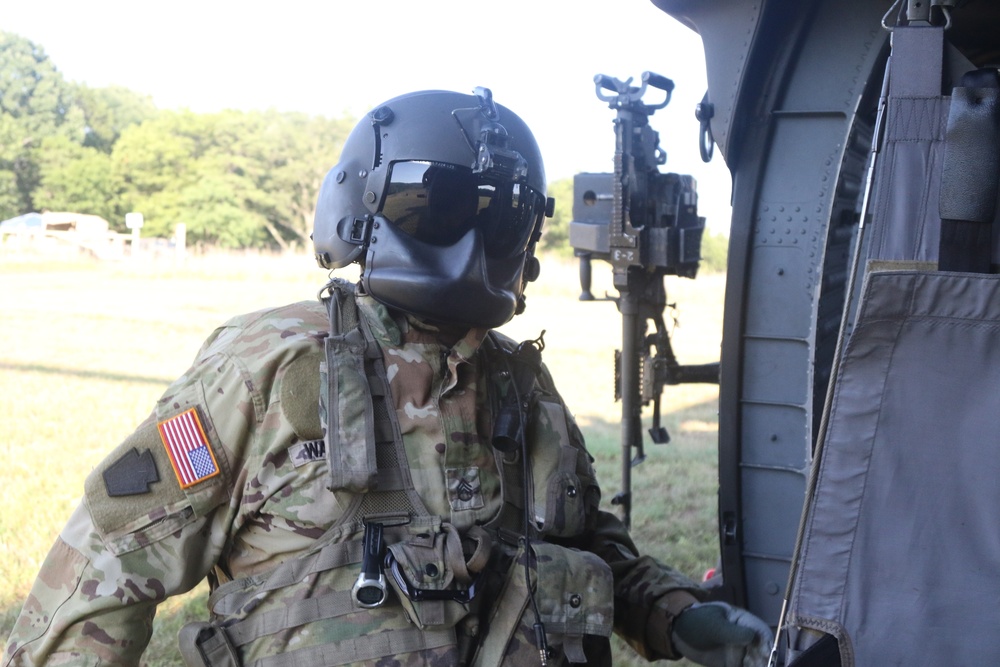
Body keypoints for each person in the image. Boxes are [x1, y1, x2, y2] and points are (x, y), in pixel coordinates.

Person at [3, 87, 771, 667]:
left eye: (501, 215)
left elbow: (587, 546)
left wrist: (672, 611)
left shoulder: (522, 385)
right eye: (433, 205)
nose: (470, 238)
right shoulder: (269, 365)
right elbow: (105, 570)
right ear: (360, 209)